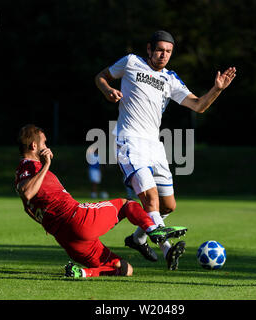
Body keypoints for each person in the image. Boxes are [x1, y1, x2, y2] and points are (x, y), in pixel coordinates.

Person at [95, 30, 236, 269]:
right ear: (149, 49)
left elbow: (198, 106)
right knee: (150, 199)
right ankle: (168, 250)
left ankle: (138, 238)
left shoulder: (170, 79)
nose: (163, 55)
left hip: (155, 146)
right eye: (159, 50)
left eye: (168, 51)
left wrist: (217, 89)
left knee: (168, 205)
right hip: (129, 141)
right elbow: (101, 76)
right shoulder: (131, 62)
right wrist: (108, 90)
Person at [14, 124, 187, 278]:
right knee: (127, 204)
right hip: (77, 219)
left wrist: (49, 224)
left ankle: (82, 273)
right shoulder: (30, 166)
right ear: (33, 146)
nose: (47, 147)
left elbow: (27, 207)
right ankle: (153, 230)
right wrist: (46, 165)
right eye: (44, 143)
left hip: (67, 239)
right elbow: (27, 192)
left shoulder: (24, 172)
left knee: (125, 269)